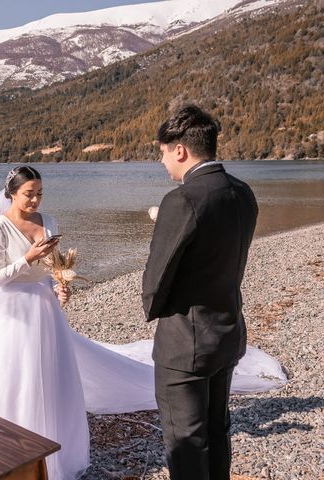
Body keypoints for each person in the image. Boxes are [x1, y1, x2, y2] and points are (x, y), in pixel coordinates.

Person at [0, 166, 286, 480]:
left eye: (39, 193)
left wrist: (58, 288)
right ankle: (4, 450)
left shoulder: (48, 220)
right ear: (12, 194)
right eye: (28, 194)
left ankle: (51, 454)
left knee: (49, 375)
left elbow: (51, 271)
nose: (35, 200)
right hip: (12, 313)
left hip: (44, 312)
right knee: (12, 375)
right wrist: (28, 258)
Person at [142, 105, 259, 479]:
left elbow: (156, 281)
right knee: (217, 430)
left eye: (162, 152)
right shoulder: (241, 192)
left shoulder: (182, 200)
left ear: (180, 150)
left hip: (186, 342)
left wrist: (164, 226)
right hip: (226, 331)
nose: (162, 162)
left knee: (186, 441)